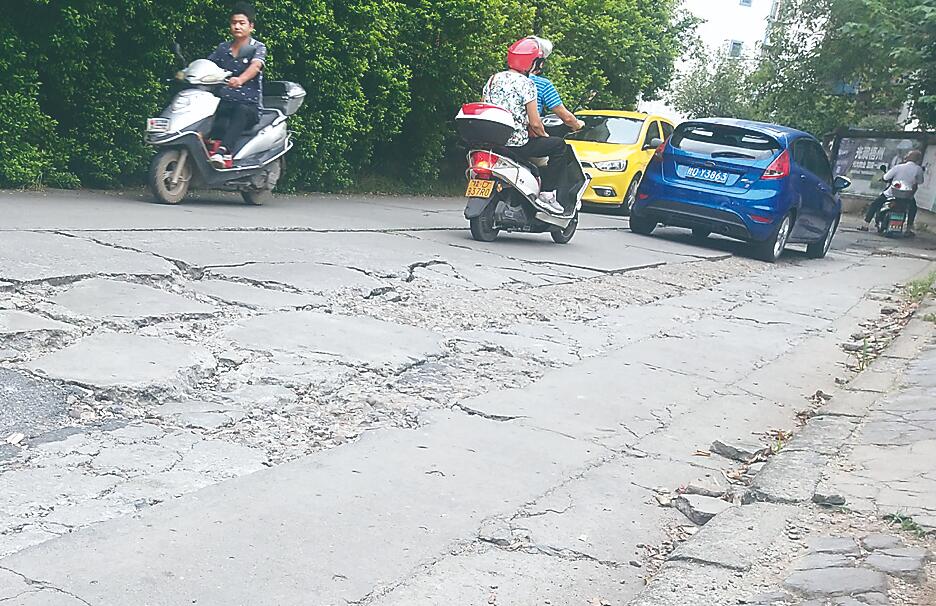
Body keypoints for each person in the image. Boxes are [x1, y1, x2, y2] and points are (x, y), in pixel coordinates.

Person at [482, 38, 577, 214]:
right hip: (517, 145)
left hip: (491, 142)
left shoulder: (493, 79)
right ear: (531, 62)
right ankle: (547, 195)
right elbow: (535, 123)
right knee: (559, 146)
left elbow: (485, 108)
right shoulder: (527, 84)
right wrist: (545, 137)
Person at [206, 2, 268, 169]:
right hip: (225, 101)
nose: (237, 26)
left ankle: (224, 151)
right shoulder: (223, 48)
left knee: (241, 110)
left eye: (242, 23)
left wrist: (240, 79)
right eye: (234, 23)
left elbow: (255, 66)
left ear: (251, 26)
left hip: (249, 106)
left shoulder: (257, 48)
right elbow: (208, 65)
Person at [858, 150, 925, 235]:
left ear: (908, 157)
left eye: (908, 155)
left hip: (891, 194)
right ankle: (908, 229)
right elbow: (920, 182)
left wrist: (882, 179)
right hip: (907, 197)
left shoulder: (898, 167)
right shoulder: (918, 169)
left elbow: (886, 177)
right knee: (913, 209)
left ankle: (865, 225)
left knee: (875, 204)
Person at [527, 36, 584, 131]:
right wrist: (577, 124)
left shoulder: (498, 78)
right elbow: (567, 118)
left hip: (499, 138)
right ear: (539, 63)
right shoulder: (542, 84)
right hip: (524, 138)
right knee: (559, 145)